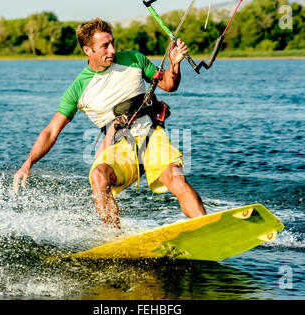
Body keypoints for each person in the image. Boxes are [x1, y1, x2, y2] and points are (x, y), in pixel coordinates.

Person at [13, 18, 206, 228]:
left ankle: (207, 227)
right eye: (105, 46)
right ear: (88, 50)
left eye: (113, 42)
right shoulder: (78, 89)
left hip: (152, 136)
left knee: (175, 177)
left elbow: (169, 84)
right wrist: (28, 163)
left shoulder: (133, 59)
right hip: (120, 147)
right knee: (98, 176)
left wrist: (175, 64)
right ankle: (114, 238)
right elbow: (51, 130)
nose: (112, 50)